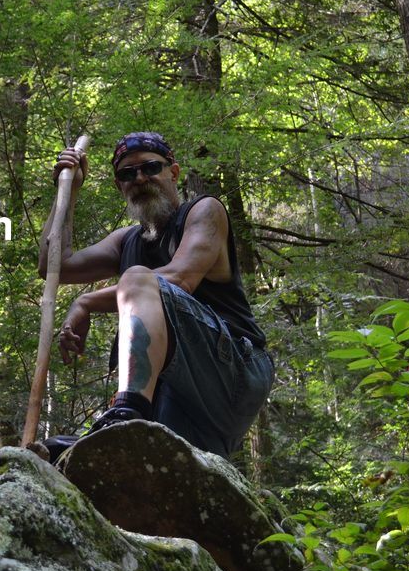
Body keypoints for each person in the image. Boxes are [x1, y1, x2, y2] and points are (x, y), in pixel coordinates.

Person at [37, 131, 274, 460]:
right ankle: (128, 432)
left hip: (233, 372)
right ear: (119, 185)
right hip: (177, 391)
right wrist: (70, 190)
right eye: (127, 174)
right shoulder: (127, 241)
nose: (140, 178)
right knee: (121, 464)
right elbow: (55, 267)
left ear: (173, 172)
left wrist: (86, 301)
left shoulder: (204, 212)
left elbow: (180, 278)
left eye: (151, 167)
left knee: (138, 278)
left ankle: (125, 416)